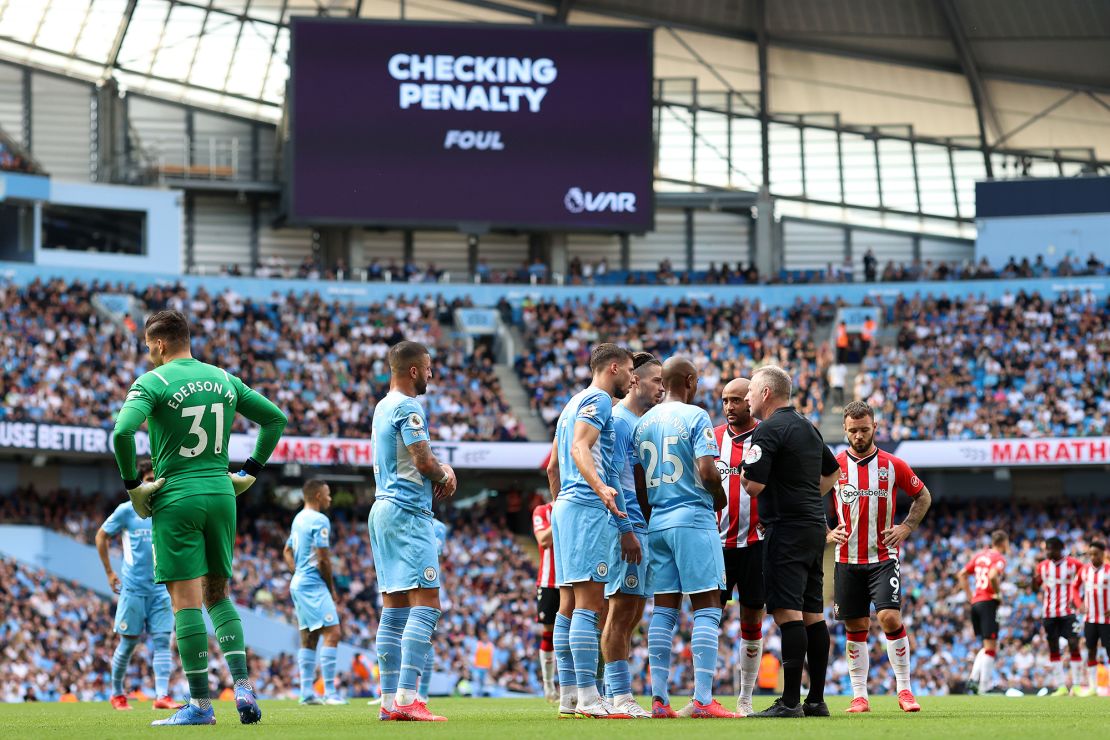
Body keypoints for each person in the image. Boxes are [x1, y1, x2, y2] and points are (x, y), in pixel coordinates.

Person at [111, 310, 287, 727]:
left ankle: (201, 706)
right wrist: (249, 472)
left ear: (158, 344)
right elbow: (275, 418)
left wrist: (134, 486)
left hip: (177, 496)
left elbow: (121, 434)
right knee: (218, 595)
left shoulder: (152, 382)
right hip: (222, 493)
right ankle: (242, 686)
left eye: (149, 349)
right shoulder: (224, 379)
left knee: (185, 603)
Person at [636, 357, 734, 719]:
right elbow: (708, 471)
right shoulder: (696, 417)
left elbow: (639, 484)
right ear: (690, 380)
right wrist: (719, 500)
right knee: (707, 606)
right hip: (692, 516)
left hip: (658, 520)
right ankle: (703, 700)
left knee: (664, 609)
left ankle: (659, 701)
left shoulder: (643, 422)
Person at [740, 365, 841, 718]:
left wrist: (742, 471)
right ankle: (816, 700)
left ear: (766, 393)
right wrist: (807, 497)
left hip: (785, 530)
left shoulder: (767, 430)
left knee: (787, 613)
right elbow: (833, 472)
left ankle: (789, 702)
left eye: (750, 391)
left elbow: (752, 486)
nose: (747, 397)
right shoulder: (807, 427)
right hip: (815, 527)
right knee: (813, 614)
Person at [368, 340, 458, 722]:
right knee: (427, 604)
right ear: (415, 370)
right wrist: (446, 474)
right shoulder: (408, 406)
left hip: (382, 510)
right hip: (407, 511)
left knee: (393, 608)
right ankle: (408, 697)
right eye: (429, 367)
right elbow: (422, 458)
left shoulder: (382, 405)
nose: (432, 374)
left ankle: (390, 700)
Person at [549, 343, 634, 719]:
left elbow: (553, 466)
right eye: (631, 371)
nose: (633, 379)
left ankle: (569, 696)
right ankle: (588, 697)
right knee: (591, 604)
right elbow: (580, 447)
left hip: (566, 507)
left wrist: (560, 509)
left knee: (568, 604)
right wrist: (599, 489)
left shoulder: (571, 403)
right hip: (586, 506)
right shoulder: (599, 401)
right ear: (613, 367)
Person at [831, 402, 931, 713]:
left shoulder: (893, 465)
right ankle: (859, 696)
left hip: (883, 556)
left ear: (875, 427)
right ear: (845, 430)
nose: (858, 436)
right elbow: (807, 498)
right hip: (846, 559)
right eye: (852, 431)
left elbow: (923, 495)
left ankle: (905, 691)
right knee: (856, 625)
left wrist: (906, 526)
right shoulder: (834, 467)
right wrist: (825, 531)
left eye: (864, 429)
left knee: (889, 617)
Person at [602, 352, 664, 719]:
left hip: (642, 526)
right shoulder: (620, 422)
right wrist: (626, 529)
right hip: (626, 527)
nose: (661, 387)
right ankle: (619, 696)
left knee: (633, 610)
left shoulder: (638, 423)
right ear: (635, 381)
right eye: (656, 380)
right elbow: (612, 477)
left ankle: (614, 694)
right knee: (621, 611)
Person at [95, 460, 181, 712]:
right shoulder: (126, 510)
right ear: (140, 481)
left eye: (157, 478)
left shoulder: (166, 509)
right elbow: (101, 535)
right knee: (129, 643)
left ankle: (162, 696)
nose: (153, 483)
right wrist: (109, 572)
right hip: (133, 589)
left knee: (163, 641)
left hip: (161, 589)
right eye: (149, 478)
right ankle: (117, 694)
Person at [711, 377, 765, 717]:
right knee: (707, 617)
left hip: (755, 544)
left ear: (750, 400)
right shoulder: (712, 438)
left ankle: (745, 697)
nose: (730, 406)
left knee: (751, 618)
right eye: (724, 400)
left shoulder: (766, 437)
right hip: (714, 545)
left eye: (736, 400)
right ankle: (704, 694)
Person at [284, 479, 346, 706]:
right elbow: (323, 558)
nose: (330, 498)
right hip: (313, 584)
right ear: (319, 496)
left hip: (299, 583)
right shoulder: (320, 520)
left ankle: (306, 693)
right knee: (333, 633)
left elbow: (286, 551)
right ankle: (329, 692)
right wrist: (331, 587)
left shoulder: (298, 518)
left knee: (309, 638)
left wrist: (297, 571)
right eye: (328, 494)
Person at [958, 530, 1010, 694]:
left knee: (988, 645)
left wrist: (970, 596)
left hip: (976, 603)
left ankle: (974, 679)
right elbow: (994, 576)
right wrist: (998, 594)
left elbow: (962, 574)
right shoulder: (999, 558)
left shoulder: (979, 556)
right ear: (1003, 543)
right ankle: (984, 687)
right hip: (988, 602)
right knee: (991, 647)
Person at [1033, 536, 1084, 695]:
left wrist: (1079, 600)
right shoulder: (1042, 566)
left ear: (1060, 549)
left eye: (1051, 548)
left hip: (1068, 612)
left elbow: (1087, 580)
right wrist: (1034, 581)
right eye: (1046, 548)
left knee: (1074, 643)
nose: (1048, 551)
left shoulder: (1073, 564)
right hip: (1049, 613)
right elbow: (1035, 588)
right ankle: (1061, 686)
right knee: (1053, 647)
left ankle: (1076, 685)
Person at [532, 496, 558, 703]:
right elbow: (543, 540)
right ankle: (549, 686)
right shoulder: (542, 511)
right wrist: (562, 512)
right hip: (549, 582)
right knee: (548, 632)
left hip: (574, 581)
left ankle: (574, 687)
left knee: (573, 633)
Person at [1079, 541, 1110, 697]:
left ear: (1103, 554)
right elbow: (1073, 587)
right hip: (1090, 618)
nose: (1092, 557)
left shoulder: (1109, 570)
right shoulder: (1085, 570)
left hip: (1107, 620)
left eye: (1095, 554)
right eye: (1090, 554)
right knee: (1091, 650)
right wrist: (1079, 603)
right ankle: (1093, 687)